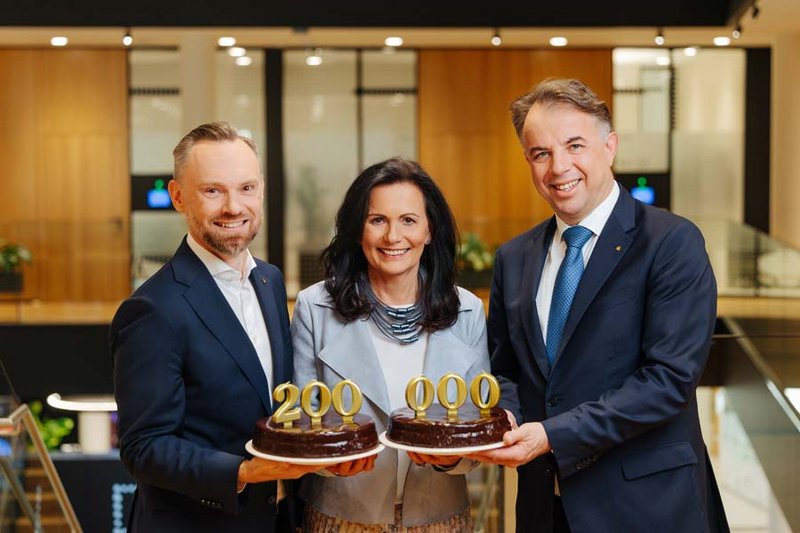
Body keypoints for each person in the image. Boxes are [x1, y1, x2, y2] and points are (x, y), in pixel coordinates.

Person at [471, 79, 729, 532]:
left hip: (646, 510)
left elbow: (667, 381)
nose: (559, 167)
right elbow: (505, 369)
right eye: (541, 153)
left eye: (575, 145)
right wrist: (506, 415)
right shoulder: (514, 257)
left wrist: (552, 435)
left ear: (610, 147)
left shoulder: (672, 243)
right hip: (544, 509)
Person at [110, 122, 326, 532]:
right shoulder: (152, 309)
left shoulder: (270, 281)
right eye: (213, 191)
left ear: (261, 190)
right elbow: (143, 447)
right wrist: (244, 472)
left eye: (246, 188)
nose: (233, 206)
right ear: (178, 196)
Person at [292, 157, 489, 531]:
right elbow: (302, 422)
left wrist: (451, 459)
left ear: (429, 231)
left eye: (409, 220)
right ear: (357, 230)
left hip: (441, 518)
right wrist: (329, 462)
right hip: (341, 517)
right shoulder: (314, 308)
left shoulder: (467, 311)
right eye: (378, 220)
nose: (393, 236)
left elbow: (476, 425)